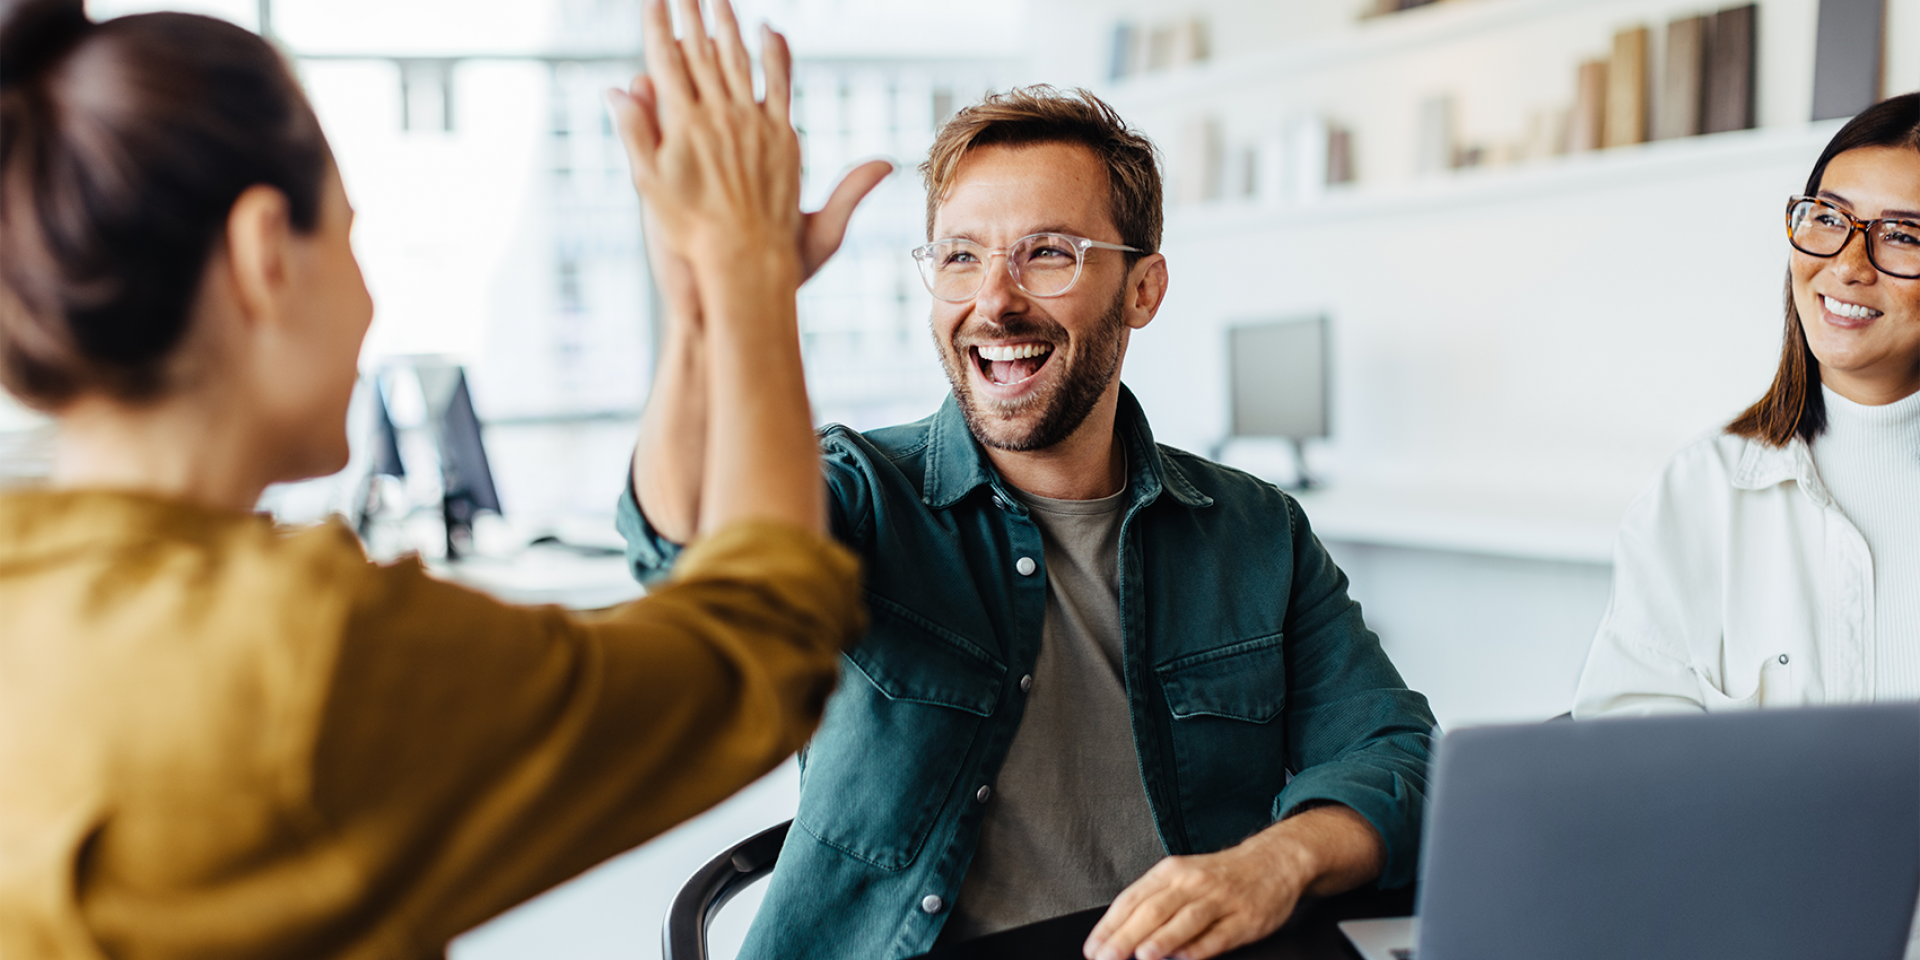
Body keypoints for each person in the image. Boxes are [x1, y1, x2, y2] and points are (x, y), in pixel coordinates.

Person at [0, 0, 870, 955]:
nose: (371, 302)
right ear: (263, 256)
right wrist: (746, 274)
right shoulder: (300, 653)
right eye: (347, 236)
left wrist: (711, 309)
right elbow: (758, 651)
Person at [621, 85, 1437, 960]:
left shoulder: (1256, 532)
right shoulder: (862, 494)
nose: (996, 300)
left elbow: (1400, 759)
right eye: (961, 257)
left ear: (1142, 289)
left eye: (1048, 253)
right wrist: (714, 312)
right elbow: (689, 549)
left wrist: (1278, 862)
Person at [1574, 92, 1920, 718]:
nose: (1846, 265)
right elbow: (1630, 758)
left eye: (1901, 235)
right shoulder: (1697, 493)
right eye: (1829, 219)